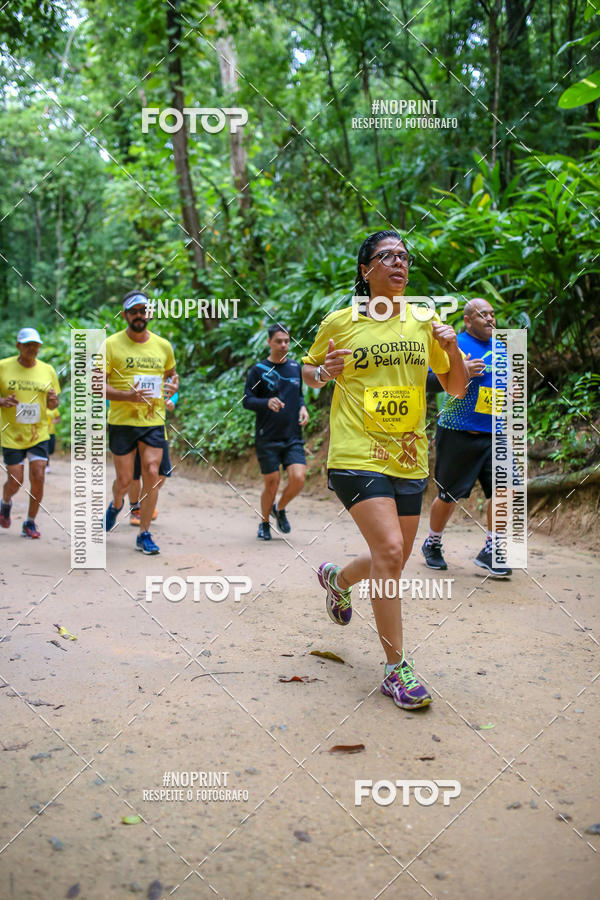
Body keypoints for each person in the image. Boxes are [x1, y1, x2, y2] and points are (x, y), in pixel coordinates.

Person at [302, 231, 468, 711]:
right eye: (386, 256)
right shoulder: (341, 321)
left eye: (404, 256)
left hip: (409, 456)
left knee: (388, 561)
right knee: (391, 550)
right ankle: (397, 670)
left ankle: (337, 578)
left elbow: (455, 388)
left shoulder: (424, 321)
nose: (399, 262)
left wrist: (453, 347)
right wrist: (324, 372)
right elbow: (307, 372)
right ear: (365, 270)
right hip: (357, 454)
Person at [421, 297, 512, 577]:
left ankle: (492, 549)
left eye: (492, 314)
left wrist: (512, 393)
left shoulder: (501, 347)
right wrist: (460, 371)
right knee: (449, 495)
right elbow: (427, 379)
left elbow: (507, 384)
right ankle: (432, 542)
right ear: (468, 319)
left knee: (506, 488)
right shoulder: (452, 344)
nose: (490, 319)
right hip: (458, 431)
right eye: (482, 314)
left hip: (493, 434)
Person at [103, 291, 178, 555]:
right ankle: (115, 504)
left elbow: (172, 378)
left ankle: (144, 533)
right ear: (125, 315)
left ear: (149, 314)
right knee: (124, 481)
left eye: (143, 310)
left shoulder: (163, 346)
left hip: (153, 420)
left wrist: (174, 390)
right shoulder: (111, 344)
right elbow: (95, 385)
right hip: (122, 422)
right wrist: (127, 395)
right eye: (133, 311)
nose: (139, 315)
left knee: (152, 471)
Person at [243, 324, 309, 540]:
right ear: (269, 342)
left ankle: (279, 508)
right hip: (267, 437)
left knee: (298, 477)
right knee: (272, 482)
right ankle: (264, 523)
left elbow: (298, 394)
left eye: (286, 341)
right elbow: (247, 401)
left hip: (292, 437)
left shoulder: (294, 367)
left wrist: (302, 407)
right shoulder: (259, 370)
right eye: (279, 341)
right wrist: (266, 402)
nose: (283, 345)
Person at [0, 327, 60, 538]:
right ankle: (5, 502)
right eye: (27, 345)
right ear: (18, 346)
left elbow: (54, 404)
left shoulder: (47, 370)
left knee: (39, 475)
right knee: (16, 480)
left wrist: (53, 401)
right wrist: (2, 401)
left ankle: (30, 522)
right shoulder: (3, 367)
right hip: (12, 434)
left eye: (35, 345)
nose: (32, 349)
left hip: (39, 433)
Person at [129, 390, 178, 526]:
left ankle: (145, 501)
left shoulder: (159, 369)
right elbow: (110, 395)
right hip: (131, 428)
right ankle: (135, 509)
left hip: (156, 430)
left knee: (162, 473)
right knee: (133, 475)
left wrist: (171, 401)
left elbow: (172, 390)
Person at [45, 407, 60, 472]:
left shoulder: (53, 408)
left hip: (51, 432)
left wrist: (55, 421)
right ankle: (47, 466)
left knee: (51, 450)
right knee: (46, 450)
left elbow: (58, 419)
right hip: (43, 433)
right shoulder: (41, 407)